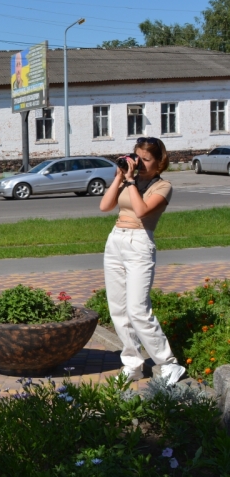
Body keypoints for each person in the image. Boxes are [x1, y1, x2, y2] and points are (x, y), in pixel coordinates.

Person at [99, 137, 186, 386]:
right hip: (115, 239)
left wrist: (129, 182)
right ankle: (133, 364)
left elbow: (142, 211)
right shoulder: (129, 180)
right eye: (137, 157)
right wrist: (119, 177)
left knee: (138, 309)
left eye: (146, 160)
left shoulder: (163, 186)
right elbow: (105, 206)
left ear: (160, 162)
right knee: (118, 308)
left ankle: (168, 363)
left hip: (139, 243)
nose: (139, 163)